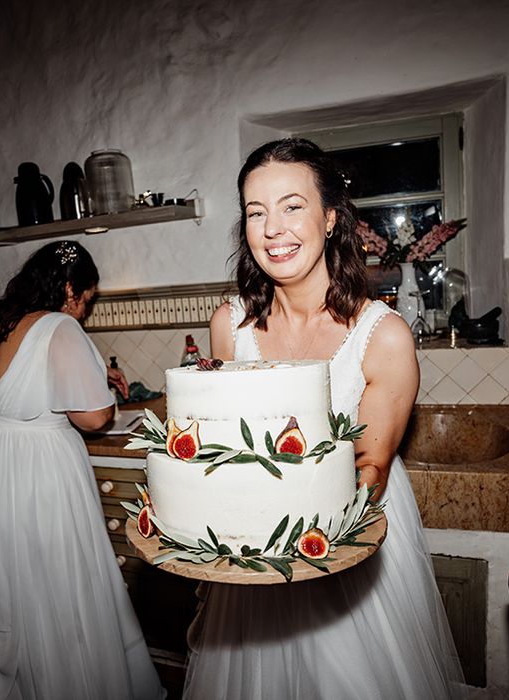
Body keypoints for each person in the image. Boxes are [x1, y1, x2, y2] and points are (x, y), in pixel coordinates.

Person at [183, 140, 466, 699]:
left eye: (292, 206)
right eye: (256, 212)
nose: (272, 229)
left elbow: (369, 472)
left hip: (345, 547)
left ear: (331, 218)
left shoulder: (381, 335)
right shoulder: (228, 326)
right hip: (251, 550)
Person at [0, 241, 164, 699]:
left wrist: (89, 378)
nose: (84, 312)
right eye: (86, 300)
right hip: (35, 481)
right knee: (53, 593)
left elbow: (15, 392)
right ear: (70, 288)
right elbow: (92, 418)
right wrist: (101, 394)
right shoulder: (58, 326)